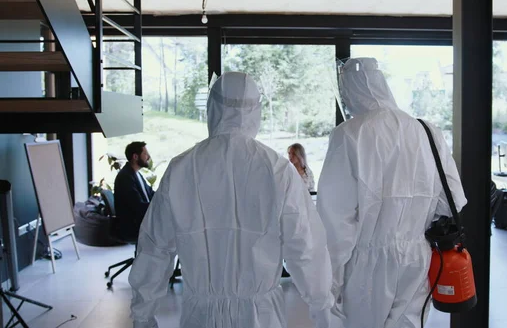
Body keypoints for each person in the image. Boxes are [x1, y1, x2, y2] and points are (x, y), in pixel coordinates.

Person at [128, 72, 334, 328]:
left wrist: (143, 313)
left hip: (200, 315)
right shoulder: (277, 169)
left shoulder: (182, 168)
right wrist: (321, 306)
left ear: (212, 107)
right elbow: (305, 248)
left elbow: (155, 248)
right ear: (256, 111)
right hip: (261, 315)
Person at [317, 58, 467, 328]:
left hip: (367, 262)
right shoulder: (426, 130)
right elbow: (453, 200)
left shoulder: (349, 134)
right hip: (418, 256)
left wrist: (330, 282)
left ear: (350, 91)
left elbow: (336, 222)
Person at [113, 141, 155, 242]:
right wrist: (159, 207)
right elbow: (137, 205)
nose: (148, 157)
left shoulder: (135, 174)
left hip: (140, 220)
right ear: (135, 157)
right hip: (133, 225)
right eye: (145, 154)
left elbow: (150, 193)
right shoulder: (125, 177)